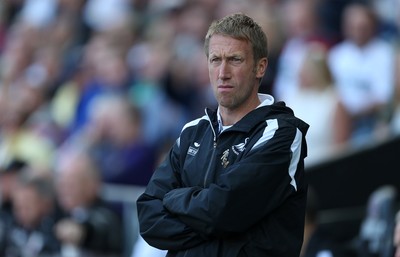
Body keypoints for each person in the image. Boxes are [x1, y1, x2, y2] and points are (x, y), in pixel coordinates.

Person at [136, 13, 309, 257]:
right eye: (215, 59)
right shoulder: (192, 132)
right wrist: (215, 223)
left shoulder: (281, 133)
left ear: (260, 67)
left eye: (235, 59)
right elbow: (148, 217)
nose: (222, 72)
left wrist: (174, 199)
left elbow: (224, 209)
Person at [54, 148, 124, 256]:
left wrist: (82, 231)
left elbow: (99, 228)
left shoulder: (108, 215)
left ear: (92, 185)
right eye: (62, 182)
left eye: (72, 183)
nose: (64, 189)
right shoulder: (57, 212)